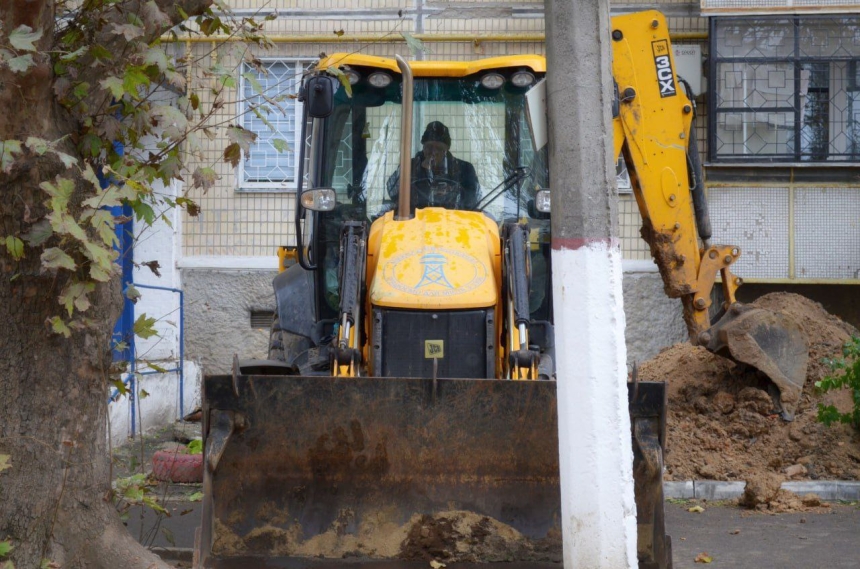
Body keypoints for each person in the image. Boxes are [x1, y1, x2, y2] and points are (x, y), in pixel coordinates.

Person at [387, 121, 480, 211]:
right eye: (429, 147)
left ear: (446, 149)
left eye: (439, 148)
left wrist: (453, 190)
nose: (433, 152)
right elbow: (393, 192)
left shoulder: (465, 169)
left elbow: (473, 199)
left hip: (454, 219)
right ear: (423, 147)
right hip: (415, 219)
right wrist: (419, 170)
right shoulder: (409, 166)